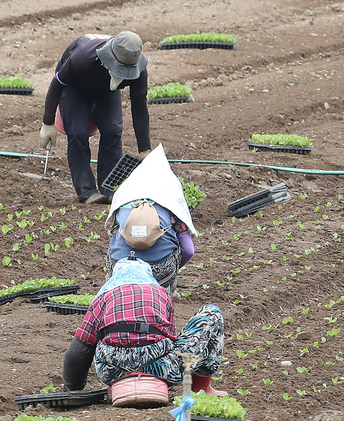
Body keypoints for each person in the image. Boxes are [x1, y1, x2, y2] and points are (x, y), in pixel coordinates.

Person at [62, 259, 227, 407]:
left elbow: (79, 350)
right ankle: (201, 388)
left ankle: (119, 383)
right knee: (211, 313)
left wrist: (73, 389)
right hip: (160, 368)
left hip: (112, 370)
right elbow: (170, 337)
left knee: (94, 336)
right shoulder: (161, 293)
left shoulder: (102, 298)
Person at [38, 32, 152, 205]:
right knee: (77, 131)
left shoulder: (139, 69)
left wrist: (145, 149)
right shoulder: (83, 57)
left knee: (113, 129)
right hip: (75, 88)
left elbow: (139, 105)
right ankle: (86, 190)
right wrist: (48, 123)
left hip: (107, 91)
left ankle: (110, 188)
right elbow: (57, 84)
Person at [102, 145, 201, 292]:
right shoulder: (171, 206)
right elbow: (188, 250)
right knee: (174, 246)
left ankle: (114, 289)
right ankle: (166, 292)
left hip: (121, 268)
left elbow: (113, 239)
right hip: (158, 273)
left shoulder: (123, 201)